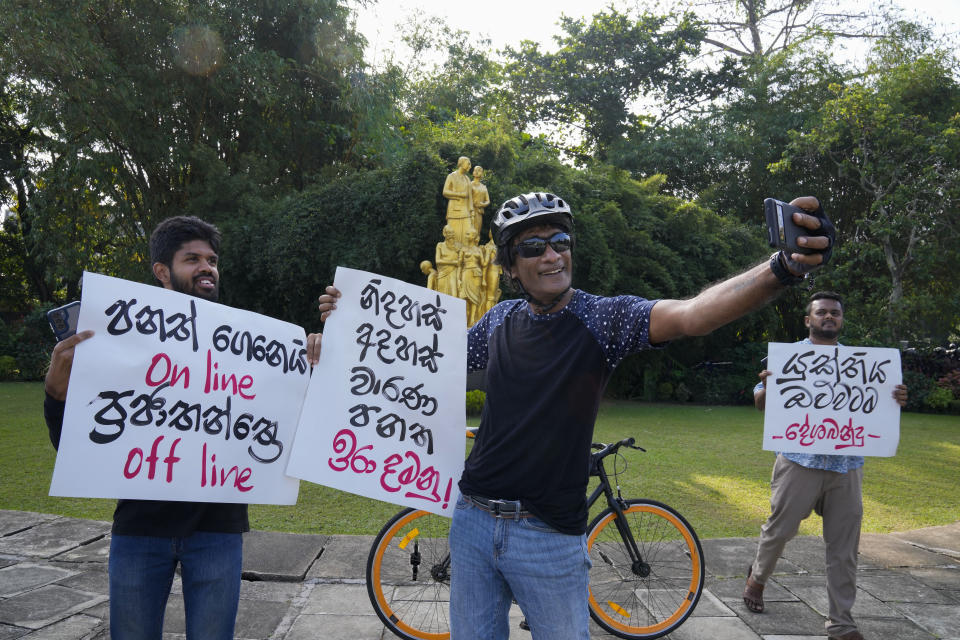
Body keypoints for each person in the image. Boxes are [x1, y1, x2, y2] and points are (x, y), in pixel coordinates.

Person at [312, 191, 836, 640]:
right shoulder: (498, 321)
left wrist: (781, 269)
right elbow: (420, 364)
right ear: (511, 266)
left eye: (560, 243)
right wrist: (347, 326)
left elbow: (691, 314)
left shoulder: (603, 319)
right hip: (470, 522)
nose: (551, 256)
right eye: (533, 248)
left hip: (549, 534)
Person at [45, 216, 245, 639]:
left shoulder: (246, 343)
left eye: (212, 259)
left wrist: (319, 346)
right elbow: (74, 446)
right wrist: (57, 394)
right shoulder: (118, 343)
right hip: (140, 527)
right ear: (162, 271)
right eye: (192, 259)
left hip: (218, 529)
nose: (207, 267)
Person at [743, 291, 908, 640]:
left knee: (844, 548)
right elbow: (759, 402)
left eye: (835, 313)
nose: (828, 317)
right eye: (822, 313)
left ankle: (841, 624)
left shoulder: (864, 364)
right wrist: (767, 388)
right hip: (798, 461)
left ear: (842, 320)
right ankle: (757, 579)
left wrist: (896, 397)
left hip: (847, 466)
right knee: (779, 531)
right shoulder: (789, 359)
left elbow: (878, 406)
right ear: (809, 320)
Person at [442, 156, 475, 245]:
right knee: (453, 234)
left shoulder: (467, 179)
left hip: (465, 210)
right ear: (461, 163)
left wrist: (472, 212)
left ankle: (464, 255)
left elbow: (470, 197)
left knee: (467, 233)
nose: (470, 166)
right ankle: (453, 255)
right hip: (454, 210)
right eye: (468, 163)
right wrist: (459, 195)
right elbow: (445, 192)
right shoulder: (451, 176)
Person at [470, 165, 490, 236]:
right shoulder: (469, 184)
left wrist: (482, 204)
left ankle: (475, 245)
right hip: (470, 211)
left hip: (479, 211)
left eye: (479, 170)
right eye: (475, 170)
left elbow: (488, 200)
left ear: (482, 173)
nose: (476, 172)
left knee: (477, 230)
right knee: (469, 230)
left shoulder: (484, 187)